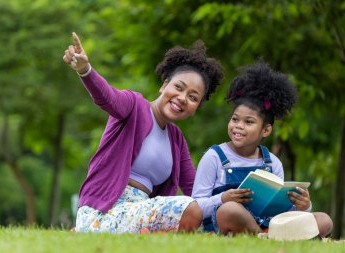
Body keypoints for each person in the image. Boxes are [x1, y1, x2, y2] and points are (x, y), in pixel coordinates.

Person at [62, 33, 224, 233]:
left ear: (196, 107)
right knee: (189, 210)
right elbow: (107, 97)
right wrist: (85, 70)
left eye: (192, 97)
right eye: (178, 88)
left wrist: (226, 203)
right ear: (164, 85)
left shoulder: (176, 140)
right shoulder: (134, 106)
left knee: (195, 210)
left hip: (142, 210)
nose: (182, 98)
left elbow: (196, 189)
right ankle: (91, 228)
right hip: (105, 208)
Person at [192, 61, 333, 237]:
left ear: (265, 130)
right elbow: (195, 207)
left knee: (324, 220)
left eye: (248, 122)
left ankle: (266, 235)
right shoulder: (214, 157)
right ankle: (264, 236)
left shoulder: (272, 162)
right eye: (235, 119)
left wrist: (303, 205)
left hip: (270, 223)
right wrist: (222, 198)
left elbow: (282, 209)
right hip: (228, 222)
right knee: (229, 210)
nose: (238, 126)